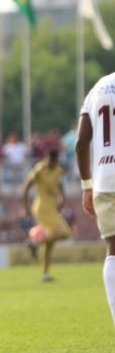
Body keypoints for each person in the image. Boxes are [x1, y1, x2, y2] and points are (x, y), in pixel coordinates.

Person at [76, 74, 115, 327]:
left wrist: (86, 186)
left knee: (113, 251)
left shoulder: (98, 87)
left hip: (105, 181)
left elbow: (81, 142)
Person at [22, 150, 70, 282]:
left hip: (52, 209)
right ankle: (34, 242)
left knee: (50, 242)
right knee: (65, 232)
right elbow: (26, 185)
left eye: (55, 161)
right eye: (51, 161)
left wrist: (63, 199)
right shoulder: (40, 168)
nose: (53, 163)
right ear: (47, 158)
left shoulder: (58, 170)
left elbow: (60, 185)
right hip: (41, 208)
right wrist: (25, 206)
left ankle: (45, 274)